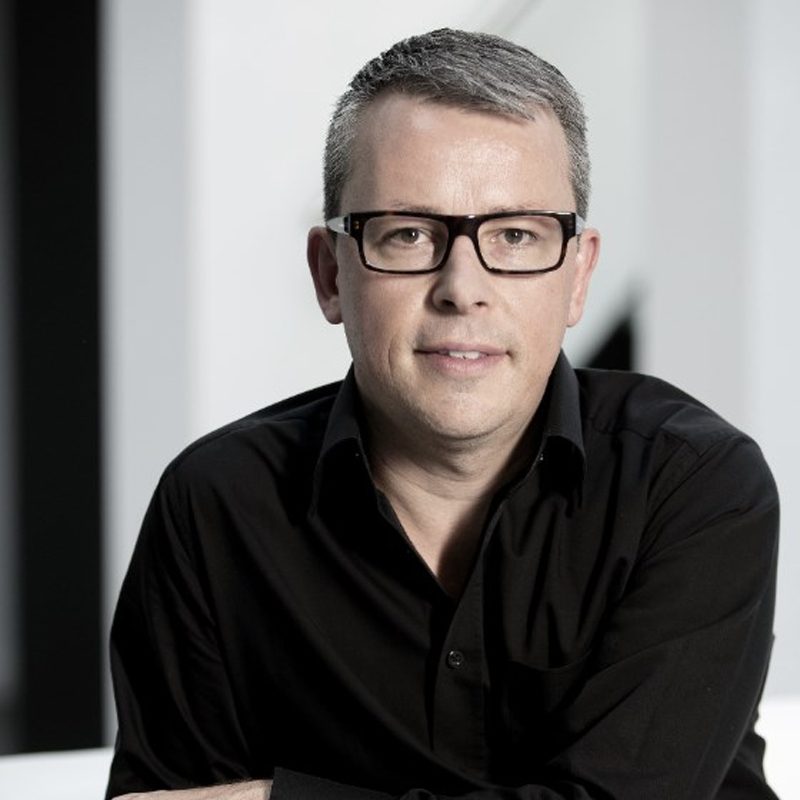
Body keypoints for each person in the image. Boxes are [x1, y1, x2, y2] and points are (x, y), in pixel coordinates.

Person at [105, 28, 779, 800]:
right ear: (330, 274)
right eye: (409, 234)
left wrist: (277, 799)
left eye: (516, 235)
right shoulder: (216, 507)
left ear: (578, 274)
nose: (462, 288)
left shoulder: (691, 486)